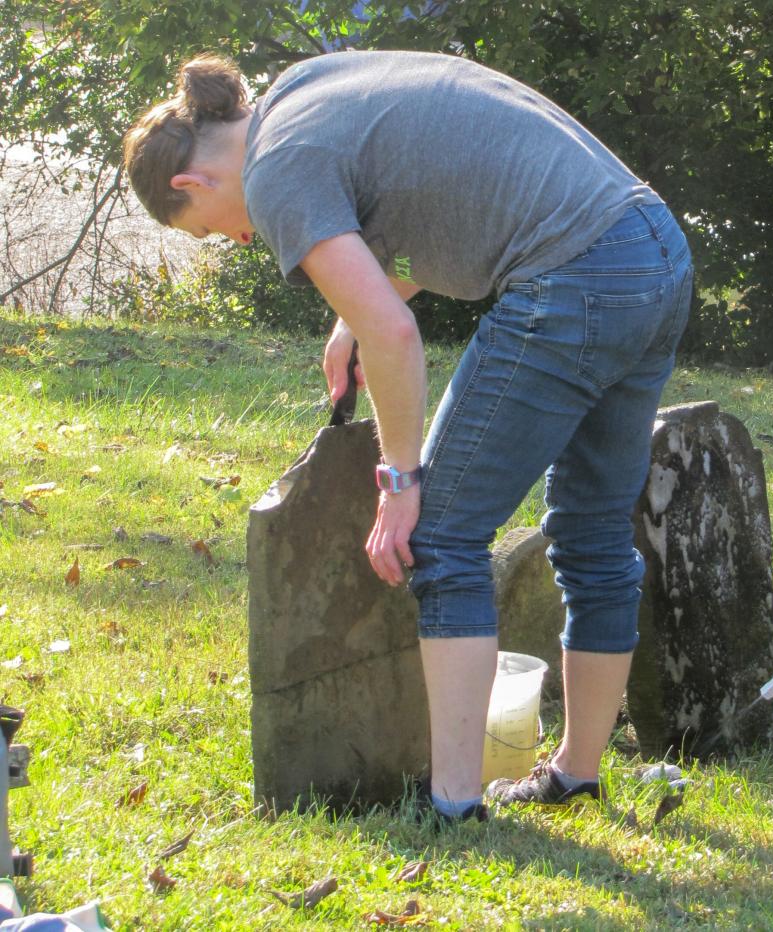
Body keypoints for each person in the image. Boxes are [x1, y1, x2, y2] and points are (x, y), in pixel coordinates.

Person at [123, 50, 693, 823]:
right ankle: (576, 775)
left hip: (577, 273)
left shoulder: (273, 172)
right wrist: (352, 315)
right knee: (592, 534)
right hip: (653, 250)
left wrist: (399, 479)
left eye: (211, 232)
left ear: (190, 185)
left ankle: (453, 806)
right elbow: (439, 184)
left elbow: (394, 336)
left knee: (445, 535)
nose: (238, 241)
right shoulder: (301, 91)